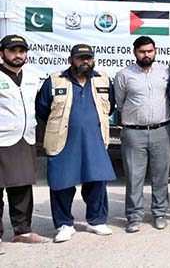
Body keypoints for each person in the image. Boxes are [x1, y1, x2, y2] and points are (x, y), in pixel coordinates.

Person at [35, 44, 116, 242]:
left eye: (88, 58)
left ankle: (96, 221)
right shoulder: (55, 80)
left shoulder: (102, 79)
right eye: (80, 58)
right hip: (63, 141)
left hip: (94, 140)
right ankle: (64, 224)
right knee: (61, 182)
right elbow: (42, 109)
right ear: (71, 60)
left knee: (96, 181)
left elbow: (110, 107)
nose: (85, 61)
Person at [114, 36, 170, 232]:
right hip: (134, 132)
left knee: (161, 175)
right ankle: (134, 217)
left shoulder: (165, 72)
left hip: (162, 130)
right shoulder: (124, 75)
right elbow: (120, 102)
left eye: (149, 51)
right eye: (142, 51)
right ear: (135, 53)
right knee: (134, 176)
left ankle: (159, 213)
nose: (146, 55)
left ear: (155, 51)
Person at [0, 35, 49, 254]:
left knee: (22, 185)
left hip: (25, 138)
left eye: (21, 51)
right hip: (2, 139)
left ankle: (23, 231)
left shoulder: (32, 77)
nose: (18, 55)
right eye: (12, 51)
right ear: (2, 53)